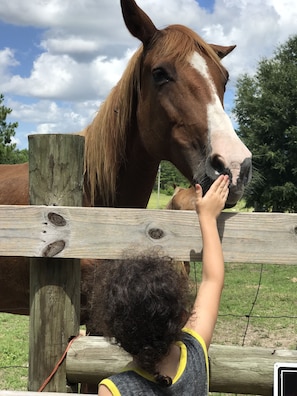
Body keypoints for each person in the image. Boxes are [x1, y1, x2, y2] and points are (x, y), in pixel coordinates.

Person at [98, 174, 230, 395]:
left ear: (117, 334)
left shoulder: (113, 390)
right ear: (180, 316)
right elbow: (212, 280)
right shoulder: (195, 353)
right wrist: (207, 218)